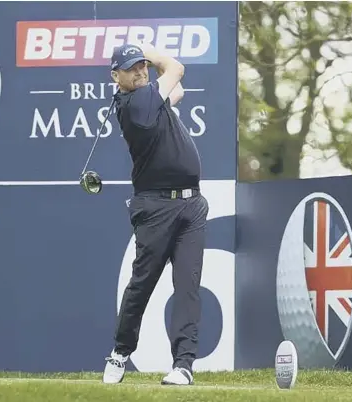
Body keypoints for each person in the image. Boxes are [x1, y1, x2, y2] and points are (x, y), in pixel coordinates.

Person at [102, 43, 209, 386]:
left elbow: (177, 92)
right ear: (115, 76)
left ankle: (183, 366)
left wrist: (156, 75)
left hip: (192, 205)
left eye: (142, 65)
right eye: (131, 67)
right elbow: (176, 70)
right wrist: (152, 52)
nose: (140, 71)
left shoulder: (149, 99)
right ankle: (120, 351)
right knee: (142, 285)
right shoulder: (135, 103)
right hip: (156, 208)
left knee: (187, 286)